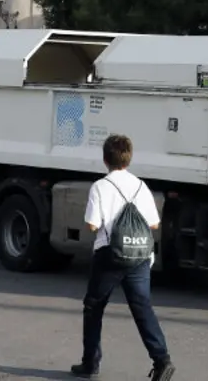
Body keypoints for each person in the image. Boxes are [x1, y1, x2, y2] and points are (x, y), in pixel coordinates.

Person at [71, 134, 175, 380]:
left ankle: (90, 363)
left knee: (94, 306)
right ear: (129, 158)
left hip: (110, 255)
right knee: (142, 307)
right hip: (140, 255)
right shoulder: (140, 185)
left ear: (105, 159)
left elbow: (93, 225)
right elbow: (154, 224)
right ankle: (162, 360)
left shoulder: (100, 186)